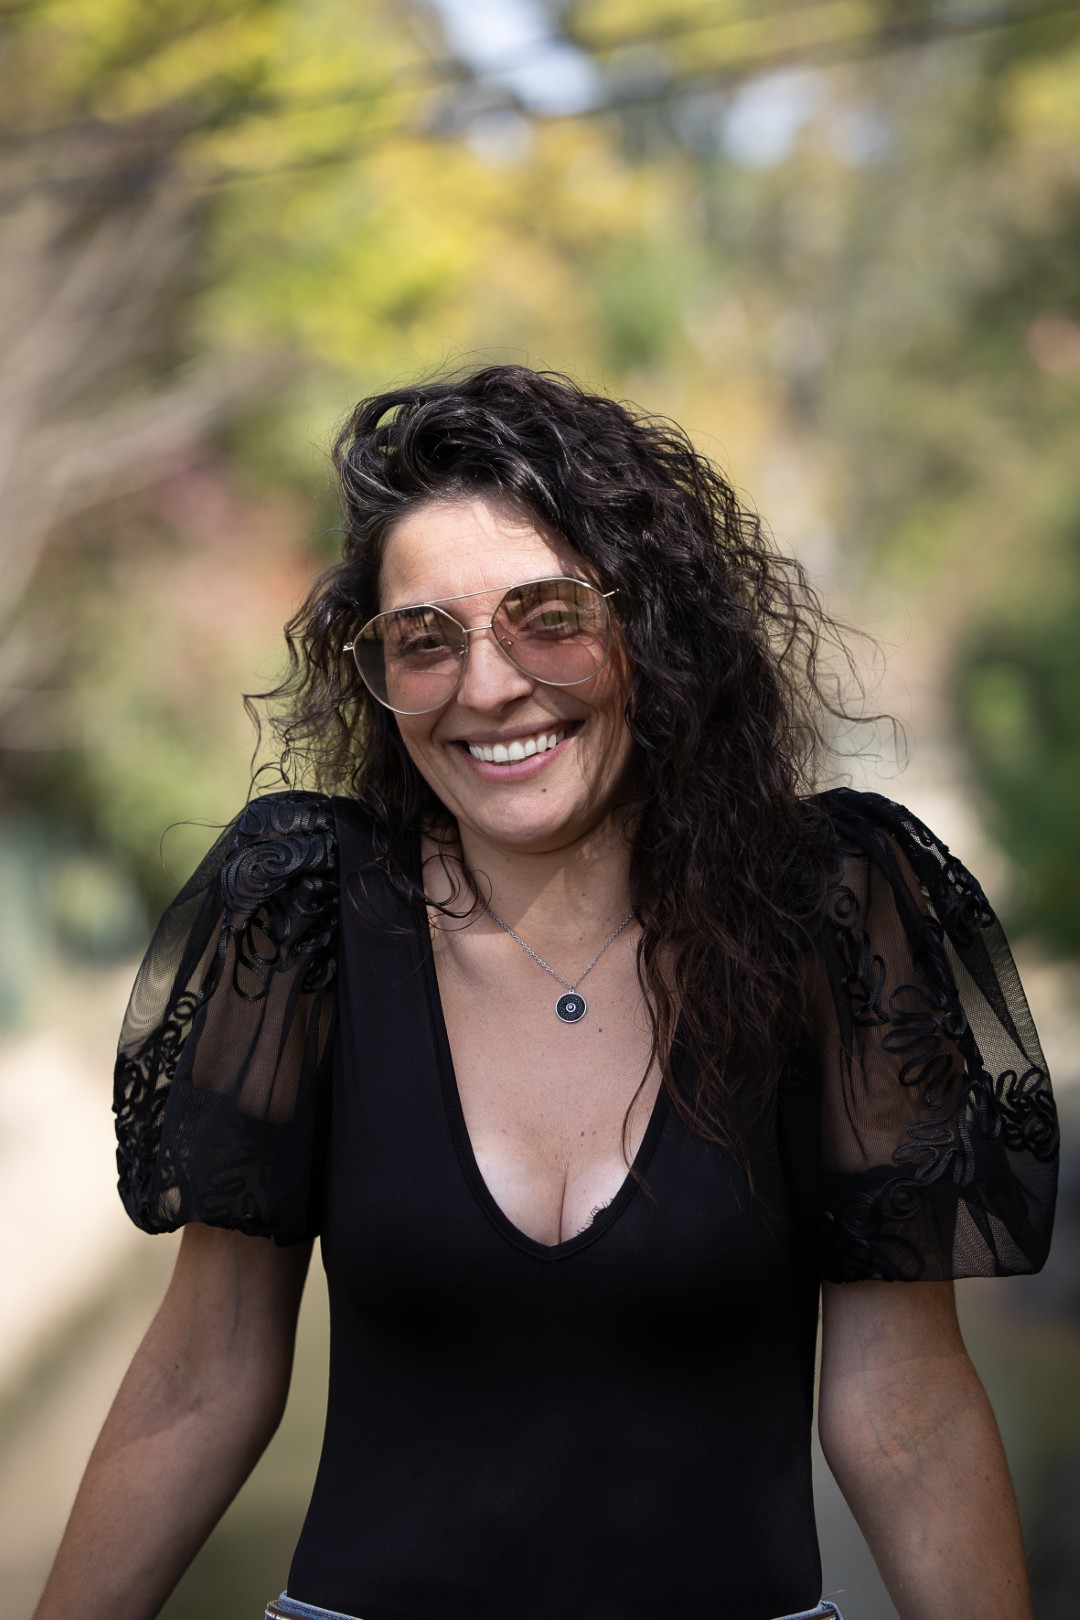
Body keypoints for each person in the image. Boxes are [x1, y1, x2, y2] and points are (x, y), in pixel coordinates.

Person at [34, 365, 1057, 1620]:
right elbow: (204, 1379)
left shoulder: (826, 914)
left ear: (653, 630)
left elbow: (905, 1408)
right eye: (426, 641)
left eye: (549, 618)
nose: (487, 687)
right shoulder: (303, 914)